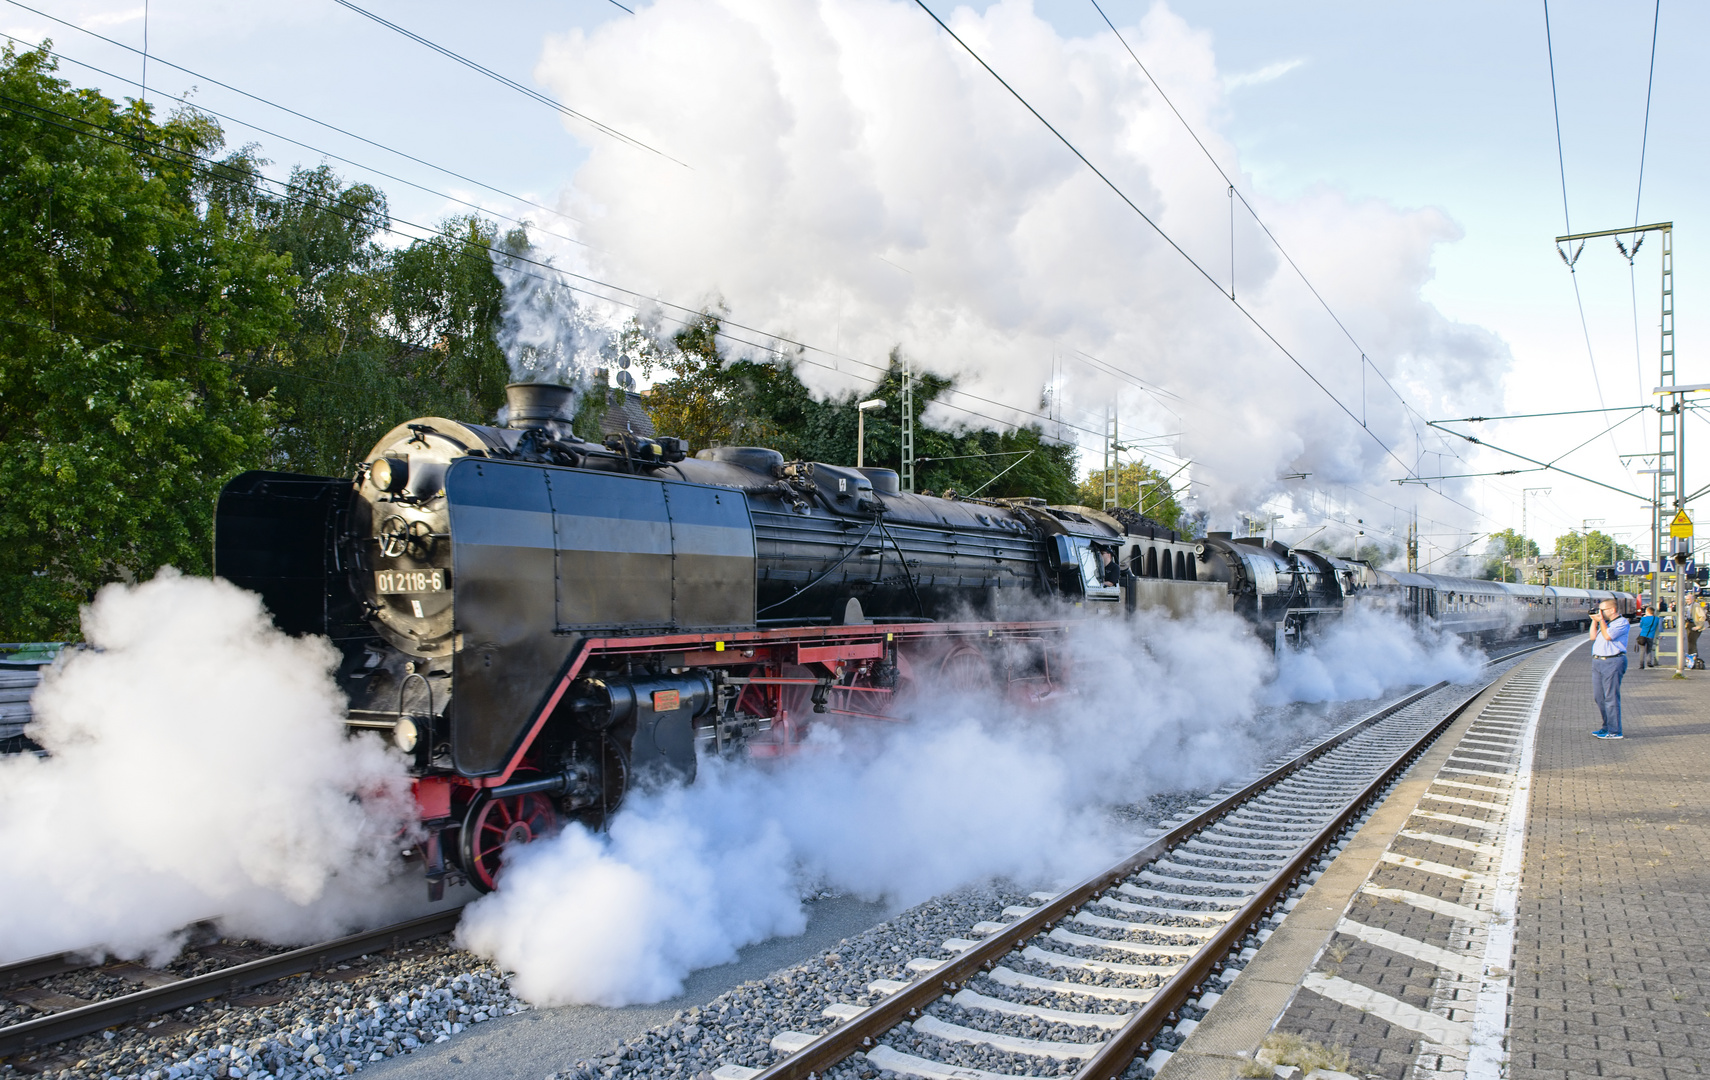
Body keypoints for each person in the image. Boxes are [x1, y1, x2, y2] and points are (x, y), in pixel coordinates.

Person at [1589, 598, 1629, 739]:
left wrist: (1601, 621)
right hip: (1598, 662)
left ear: (1612, 610)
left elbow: (1608, 636)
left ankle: (1615, 731)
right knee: (1599, 697)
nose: (1600, 612)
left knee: (1610, 698)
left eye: (1602, 610)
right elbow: (1592, 637)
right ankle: (1606, 727)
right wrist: (1595, 620)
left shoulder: (1621, 623)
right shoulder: (1606, 623)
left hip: (1612, 661)